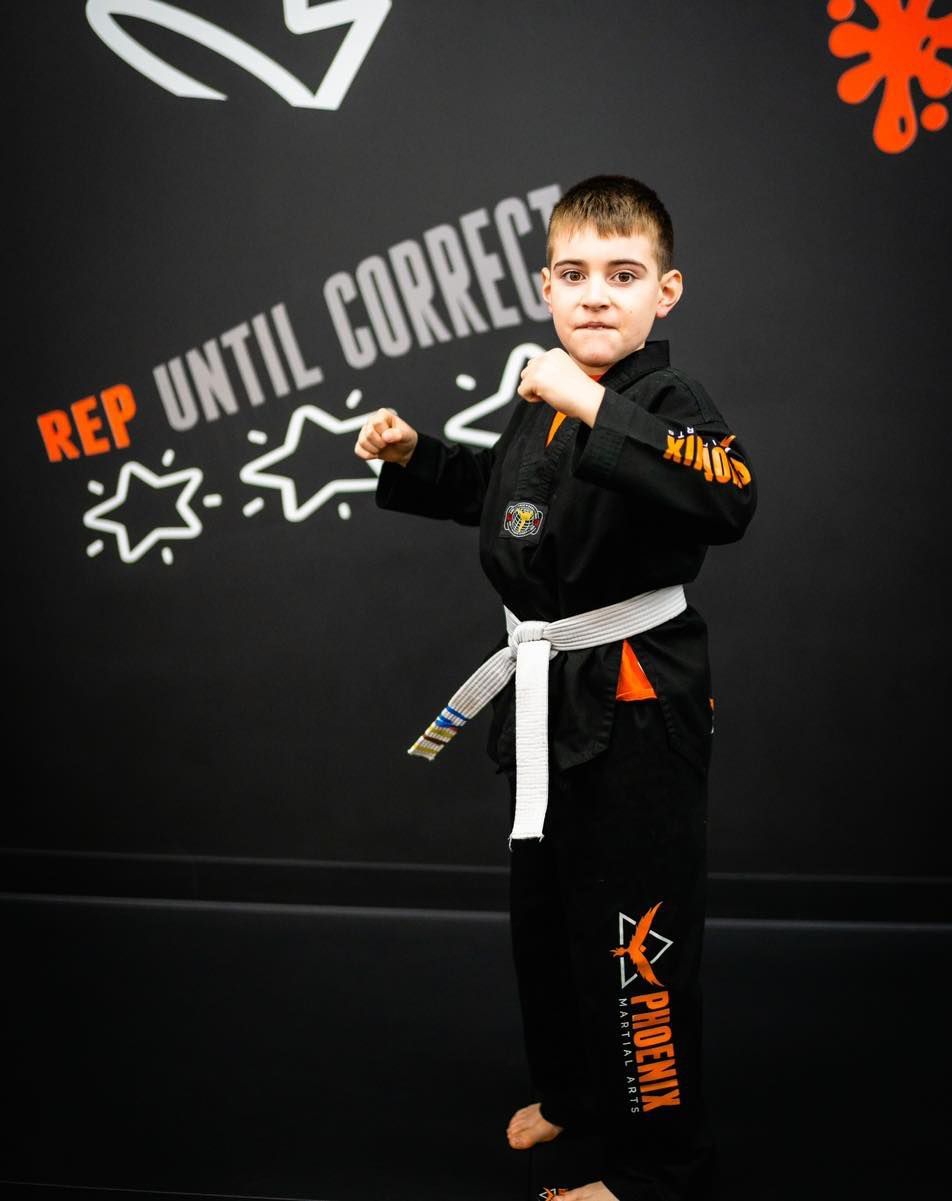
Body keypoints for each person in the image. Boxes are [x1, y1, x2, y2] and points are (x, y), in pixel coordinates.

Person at [354, 175, 756, 1201]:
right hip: (547, 702)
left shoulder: (664, 402)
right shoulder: (539, 394)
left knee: (639, 935)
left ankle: (660, 1168)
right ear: (544, 285)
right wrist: (415, 456)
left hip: (634, 703)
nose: (594, 296)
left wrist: (594, 404)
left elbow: (727, 489)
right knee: (551, 918)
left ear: (666, 293)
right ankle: (578, 1093)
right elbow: (505, 495)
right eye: (573, 274)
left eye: (622, 276)